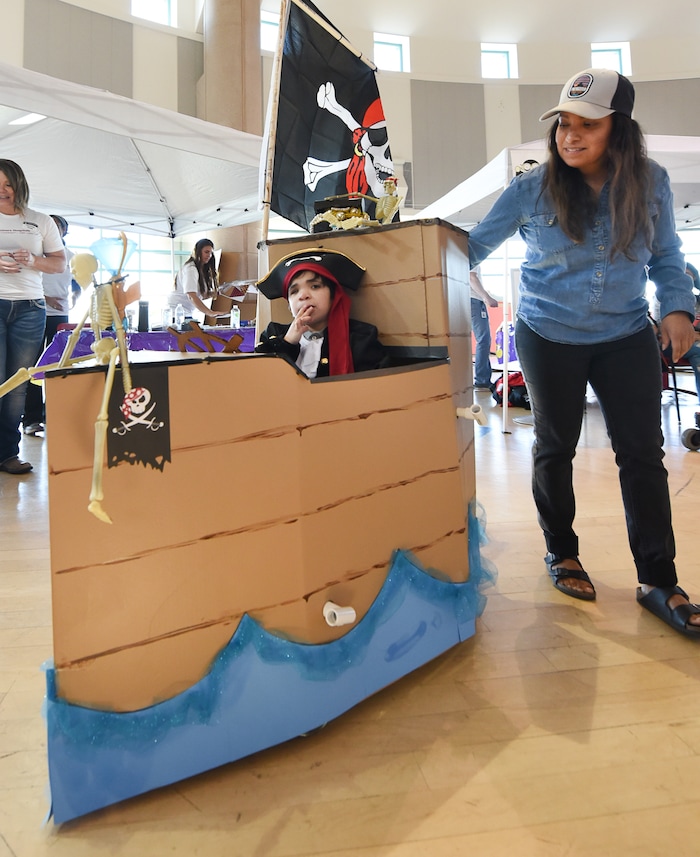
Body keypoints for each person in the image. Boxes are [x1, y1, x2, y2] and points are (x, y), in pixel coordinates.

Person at [467, 68, 700, 639]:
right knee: (556, 446)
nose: (570, 136)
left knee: (642, 455)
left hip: (625, 335)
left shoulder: (653, 183)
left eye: (587, 125)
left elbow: (667, 254)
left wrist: (677, 307)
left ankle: (658, 579)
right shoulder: (531, 188)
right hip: (548, 336)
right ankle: (562, 553)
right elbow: (467, 248)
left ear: (618, 129)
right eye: (564, 124)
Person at [0, 160, 66, 473]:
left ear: (19, 185)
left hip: (30, 309)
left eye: (7, 184)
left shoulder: (40, 221)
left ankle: (7, 454)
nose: (2, 191)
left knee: (17, 384)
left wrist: (34, 260)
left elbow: (59, 264)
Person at [255, 248, 390, 378]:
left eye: (315, 286)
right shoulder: (273, 334)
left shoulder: (361, 338)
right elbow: (260, 378)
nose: (303, 295)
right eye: (294, 291)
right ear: (289, 306)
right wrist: (288, 342)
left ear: (334, 296)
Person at [23, 214, 74, 436]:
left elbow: (73, 281)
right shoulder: (34, 252)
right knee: (34, 365)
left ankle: (52, 415)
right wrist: (46, 299)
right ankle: (31, 419)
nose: (52, 229)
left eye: (57, 226)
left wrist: (75, 296)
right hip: (36, 312)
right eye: (50, 225)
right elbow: (25, 280)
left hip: (60, 316)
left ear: (63, 231)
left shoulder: (68, 255)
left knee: (58, 364)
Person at [169, 238, 229, 324]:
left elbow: (199, 295)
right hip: (177, 314)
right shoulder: (191, 269)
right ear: (197, 252)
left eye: (211, 253)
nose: (209, 255)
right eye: (206, 252)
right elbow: (191, 296)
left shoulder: (199, 270)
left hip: (185, 313)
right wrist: (210, 312)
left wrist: (216, 293)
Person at [470, 266, 499, 389]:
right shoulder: (472, 254)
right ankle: (482, 380)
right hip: (474, 300)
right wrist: (486, 297)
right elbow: (472, 277)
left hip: (464, 299)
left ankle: (481, 378)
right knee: (483, 339)